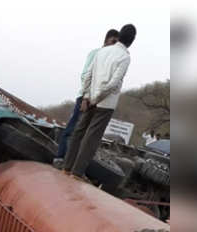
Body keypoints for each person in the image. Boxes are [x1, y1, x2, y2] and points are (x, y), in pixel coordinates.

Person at [63, 24, 136, 180]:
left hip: (89, 98)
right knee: (91, 138)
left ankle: (66, 168)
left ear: (120, 35)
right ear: (131, 41)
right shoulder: (125, 57)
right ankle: (76, 173)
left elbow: (87, 76)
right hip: (105, 103)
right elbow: (113, 84)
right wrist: (95, 98)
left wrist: (86, 97)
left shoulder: (102, 51)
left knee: (79, 131)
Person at [54, 29, 119, 165]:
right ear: (106, 40)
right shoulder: (95, 54)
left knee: (85, 134)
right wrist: (85, 97)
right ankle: (60, 158)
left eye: (116, 43)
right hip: (85, 98)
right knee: (72, 129)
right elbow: (85, 75)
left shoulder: (111, 59)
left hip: (97, 101)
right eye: (113, 42)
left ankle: (71, 163)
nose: (114, 45)